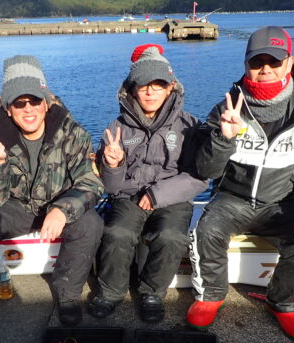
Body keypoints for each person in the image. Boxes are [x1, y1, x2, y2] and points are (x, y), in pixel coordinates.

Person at [187, 27, 294, 341]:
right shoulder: (228, 106)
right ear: (246, 65)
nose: (266, 69)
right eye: (257, 62)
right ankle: (211, 295)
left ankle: (284, 303)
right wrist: (223, 139)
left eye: (275, 62)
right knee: (207, 230)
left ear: (289, 63)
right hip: (233, 198)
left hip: (282, 202)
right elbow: (205, 169)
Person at [0, 55, 104, 329]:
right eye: (19, 103)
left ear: (46, 103)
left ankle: (68, 296)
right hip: (19, 206)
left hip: (61, 203)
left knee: (91, 224)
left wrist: (62, 210)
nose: (28, 109)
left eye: (35, 101)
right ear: (9, 108)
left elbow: (91, 182)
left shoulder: (73, 133)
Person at [88, 44, 208, 323]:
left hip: (173, 198)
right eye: (143, 85)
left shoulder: (190, 125)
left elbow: (199, 176)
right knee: (117, 232)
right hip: (129, 196)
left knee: (171, 236)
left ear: (170, 88)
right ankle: (111, 291)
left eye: (158, 85)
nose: (150, 92)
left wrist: (157, 194)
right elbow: (111, 187)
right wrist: (113, 165)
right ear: (131, 90)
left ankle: (152, 293)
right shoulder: (116, 128)